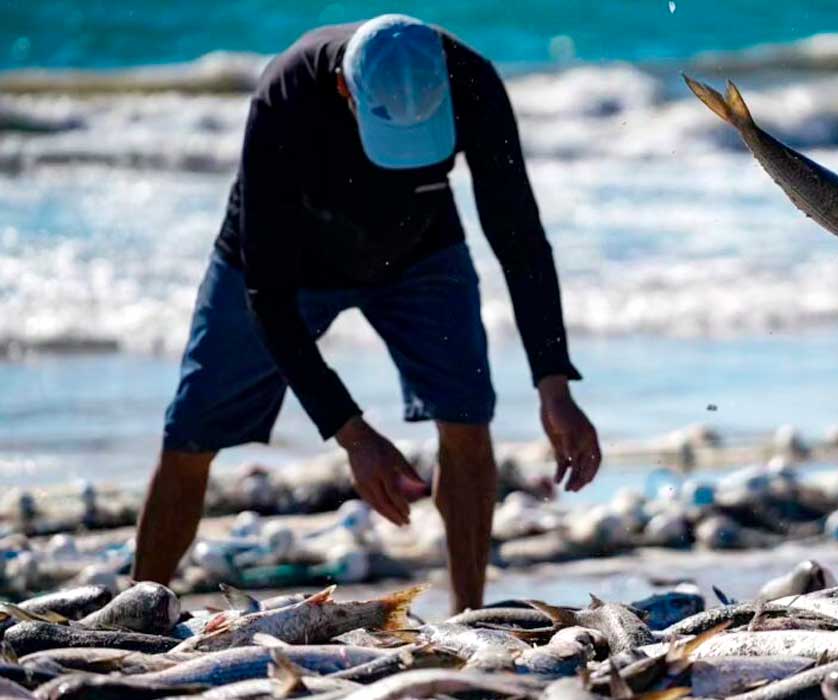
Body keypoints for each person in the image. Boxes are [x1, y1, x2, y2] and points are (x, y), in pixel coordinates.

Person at [132, 14, 602, 612]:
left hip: (420, 252)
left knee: (467, 418)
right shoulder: (287, 94)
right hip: (285, 263)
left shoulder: (473, 82)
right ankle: (138, 614)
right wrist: (352, 434)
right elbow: (268, 299)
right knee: (191, 432)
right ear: (344, 90)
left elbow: (520, 238)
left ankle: (468, 617)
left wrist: (553, 382)